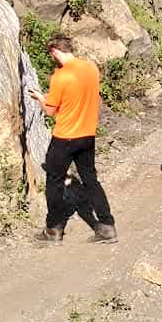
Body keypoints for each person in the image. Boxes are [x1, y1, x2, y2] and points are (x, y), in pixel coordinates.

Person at [29, 36, 117, 245]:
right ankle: (107, 226)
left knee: (54, 181)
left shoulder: (60, 76)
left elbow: (50, 111)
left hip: (65, 137)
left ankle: (53, 230)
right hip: (87, 135)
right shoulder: (91, 68)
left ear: (54, 51)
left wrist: (41, 98)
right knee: (91, 180)